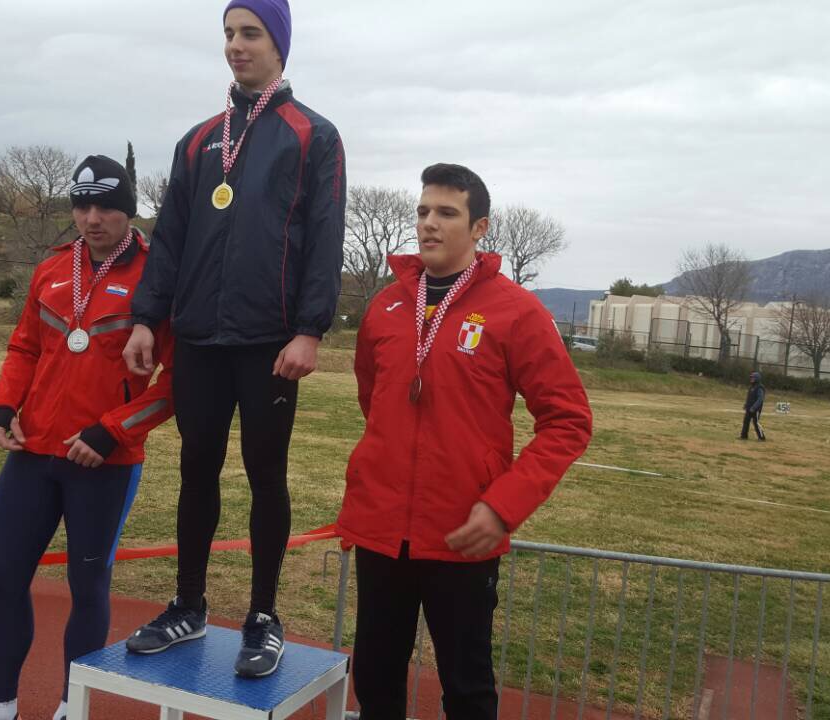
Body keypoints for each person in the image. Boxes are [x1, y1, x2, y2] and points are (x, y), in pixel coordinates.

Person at [122, 0, 345, 679]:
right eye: (228, 34)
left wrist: (309, 330)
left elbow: (325, 237)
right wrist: (145, 317)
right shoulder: (198, 141)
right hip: (198, 336)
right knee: (197, 468)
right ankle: (189, 605)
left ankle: (263, 617)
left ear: (279, 44)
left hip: (269, 340)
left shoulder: (313, 135)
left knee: (265, 474)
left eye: (250, 33)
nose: (236, 45)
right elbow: (170, 239)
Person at [337, 164, 593, 719]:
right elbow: (374, 400)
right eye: (423, 211)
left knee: (467, 688)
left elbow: (568, 420)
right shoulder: (385, 306)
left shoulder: (516, 311)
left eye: (446, 213)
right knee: (375, 679)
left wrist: (503, 506)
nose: (429, 223)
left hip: (462, 533)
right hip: (382, 530)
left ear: (479, 228)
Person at [0, 155, 176, 720]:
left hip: (104, 463)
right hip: (33, 453)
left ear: (128, 210)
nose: (92, 218)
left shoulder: (158, 277)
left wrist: (114, 432)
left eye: (106, 207)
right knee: (3, 576)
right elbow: (24, 347)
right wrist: (2, 407)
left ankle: (72, 708)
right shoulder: (53, 267)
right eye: (83, 206)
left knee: (87, 584)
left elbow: (178, 382)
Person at [740, 371, 766, 440]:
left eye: (753, 378)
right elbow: (749, 397)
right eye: (751, 377)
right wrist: (746, 405)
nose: (751, 379)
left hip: (756, 409)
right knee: (746, 421)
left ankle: (761, 437)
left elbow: (760, 399)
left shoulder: (760, 387)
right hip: (749, 408)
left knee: (756, 423)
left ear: (757, 378)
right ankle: (744, 436)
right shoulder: (751, 387)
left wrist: (754, 407)